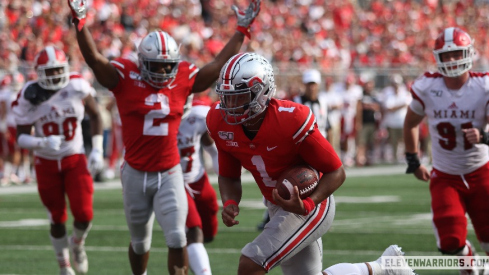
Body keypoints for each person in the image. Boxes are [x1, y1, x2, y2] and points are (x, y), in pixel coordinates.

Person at [68, 0, 260, 274]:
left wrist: (242, 29)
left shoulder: (183, 75)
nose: (162, 71)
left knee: (177, 237)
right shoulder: (124, 75)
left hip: (169, 172)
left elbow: (218, 65)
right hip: (135, 172)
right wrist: (81, 21)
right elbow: (94, 59)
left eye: (167, 65)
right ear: (142, 61)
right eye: (156, 66)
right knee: (139, 242)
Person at [207, 52, 345, 274]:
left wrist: (308, 205)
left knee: (251, 262)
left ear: (260, 92)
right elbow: (229, 175)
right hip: (276, 204)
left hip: (311, 203)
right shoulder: (218, 121)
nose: (229, 105)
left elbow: (336, 172)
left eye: (238, 97)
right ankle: (382, 269)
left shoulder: (290, 119)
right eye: (226, 97)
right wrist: (230, 201)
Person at [11, 46, 104, 275]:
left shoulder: (77, 85)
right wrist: (41, 143)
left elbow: (96, 114)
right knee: (56, 217)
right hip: (46, 162)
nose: (53, 75)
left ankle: (78, 244)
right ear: (39, 73)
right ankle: (64, 266)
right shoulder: (29, 95)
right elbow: (20, 137)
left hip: (74, 157)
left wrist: (98, 149)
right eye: (49, 71)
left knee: (84, 214)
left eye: (57, 70)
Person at [404, 27, 489, 275]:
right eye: (446, 55)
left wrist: (484, 136)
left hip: (481, 172)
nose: (452, 60)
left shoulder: (483, 86)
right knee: (450, 243)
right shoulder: (427, 87)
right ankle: (471, 263)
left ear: (468, 53)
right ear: (437, 57)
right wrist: (413, 160)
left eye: (457, 54)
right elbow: (410, 124)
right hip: (445, 175)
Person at [177, 95, 219, 275]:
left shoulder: (200, 115)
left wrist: (225, 177)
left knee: (208, 232)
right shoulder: (158, 119)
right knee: (194, 230)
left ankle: (191, 256)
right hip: (173, 182)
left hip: (198, 178)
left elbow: (213, 150)